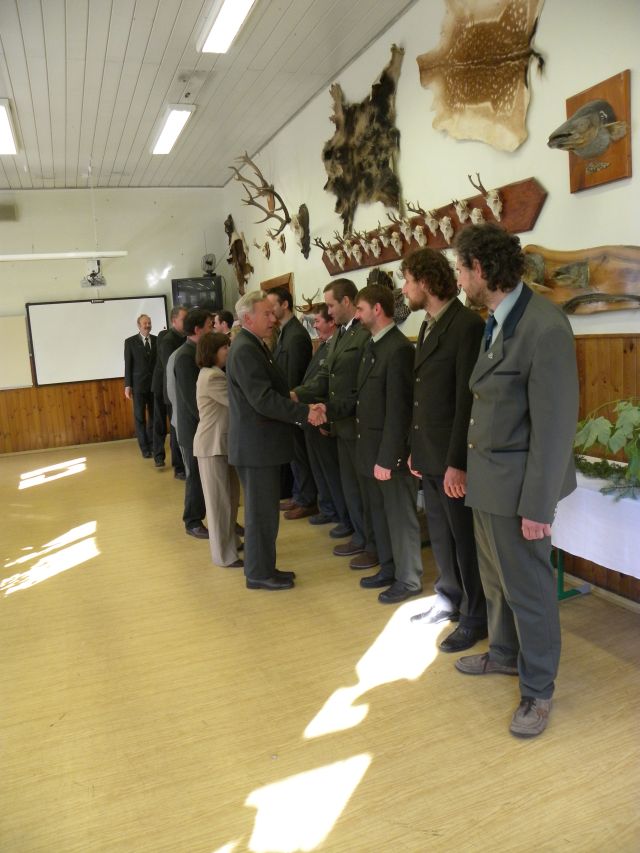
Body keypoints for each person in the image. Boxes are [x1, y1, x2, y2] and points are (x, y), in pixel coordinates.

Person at [453, 223, 579, 739]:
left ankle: (538, 690)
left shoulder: (544, 328)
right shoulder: (496, 320)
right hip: (487, 484)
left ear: (481, 269)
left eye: (461, 269)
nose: (459, 279)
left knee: (529, 592)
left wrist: (537, 507)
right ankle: (503, 654)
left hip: (519, 491)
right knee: (496, 584)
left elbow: (554, 429)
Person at [401, 248, 488, 651]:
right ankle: (448, 598)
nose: (405, 289)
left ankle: (475, 616)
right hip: (429, 453)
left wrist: (458, 462)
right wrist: (415, 448)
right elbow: (423, 395)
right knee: (440, 533)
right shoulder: (428, 324)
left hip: (452, 457)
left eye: (408, 281)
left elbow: (465, 401)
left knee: (463, 540)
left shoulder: (466, 325)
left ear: (425, 282)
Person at [226, 291, 326, 591]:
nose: (273, 319)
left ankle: (264, 567)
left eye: (273, 313)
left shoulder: (254, 344)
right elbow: (263, 400)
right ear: (248, 318)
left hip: (261, 445)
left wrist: (296, 400)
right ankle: (258, 573)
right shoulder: (245, 349)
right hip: (257, 448)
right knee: (260, 515)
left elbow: (272, 391)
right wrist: (304, 413)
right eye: (266, 314)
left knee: (266, 513)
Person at [293, 279, 378, 571]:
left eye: (330, 305)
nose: (328, 311)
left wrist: (327, 409)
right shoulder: (342, 334)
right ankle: (361, 536)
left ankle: (372, 545)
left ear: (346, 301)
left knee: (365, 491)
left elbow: (362, 385)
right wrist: (298, 394)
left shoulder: (364, 334)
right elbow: (326, 377)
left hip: (358, 424)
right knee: (351, 488)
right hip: (341, 423)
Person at [352, 284, 423, 604]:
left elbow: (399, 410)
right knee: (381, 515)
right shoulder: (373, 345)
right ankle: (390, 567)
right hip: (371, 449)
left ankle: (409, 579)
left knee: (400, 518)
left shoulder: (398, 349)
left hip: (389, 453)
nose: (357, 315)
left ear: (377, 309)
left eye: (360, 309)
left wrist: (389, 457)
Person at [193, 332, 243, 568]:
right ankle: (224, 556)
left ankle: (231, 543)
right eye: (225, 347)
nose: (229, 351)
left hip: (221, 444)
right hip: (212, 446)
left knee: (230, 499)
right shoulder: (212, 376)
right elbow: (238, 403)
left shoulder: (214, 373)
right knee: (219, 504)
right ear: (213, 352)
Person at [266, 286, 315, 519]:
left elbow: (295, 374)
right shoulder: (285, 332)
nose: (269, 310)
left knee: (300, 455)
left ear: (284, 305)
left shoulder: (296, 335)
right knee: (294, 455)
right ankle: (298, 494)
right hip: (287, 403)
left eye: (272, 305)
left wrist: (289, 404)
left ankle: (306, 499)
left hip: (294, 403)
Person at [302, 305, 351, 534]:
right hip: (314, 416)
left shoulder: (336, 345)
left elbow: (332, 387)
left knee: (333, 473)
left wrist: (327, 418)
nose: (315, 326)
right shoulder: (325, 345)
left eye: (318, 321)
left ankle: (342, 516)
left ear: (332, 323)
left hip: (326, 416)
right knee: (321, 470)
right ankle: (329, 508)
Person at [173, 308, 214, 539]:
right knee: (196, 477)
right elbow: (193, 400)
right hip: (194, 429)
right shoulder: (185, 357)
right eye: (209, 325)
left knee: (211, 478)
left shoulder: (198, 352)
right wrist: (210, 422)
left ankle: (220, 520)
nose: (213, 329)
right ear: (198, 329)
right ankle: (192, 520)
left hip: (204, 427)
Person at [151, 306, 187, 472]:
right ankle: (172, 464)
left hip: (173, 388)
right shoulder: (168, 340)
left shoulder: (183, 337)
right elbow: (171, 368)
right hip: (166, 388)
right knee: (167, 425)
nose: (187, 322)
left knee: (176, 427)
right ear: (174, 321)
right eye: (183, 319)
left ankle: (179, 464)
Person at [124, 314, 157, 458]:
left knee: (154, 417)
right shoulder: (130, 342)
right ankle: (144, 448)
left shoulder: (157, 340)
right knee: (140, 418)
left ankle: (153, 444)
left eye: (149, 323)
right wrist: (128, 386)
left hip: (154, 385)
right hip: (138, 386)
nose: (148, 325)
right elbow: (128, 365)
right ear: (139, 325)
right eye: (145, 323)